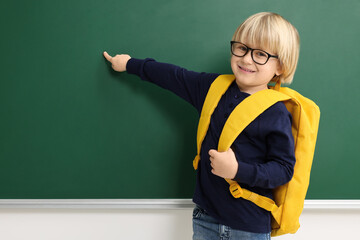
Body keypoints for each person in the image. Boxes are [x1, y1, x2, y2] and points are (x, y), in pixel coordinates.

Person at [103, 12, 299, 240]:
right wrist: (129, 64)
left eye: (260, 54)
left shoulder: (275, 111)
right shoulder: (212, 89)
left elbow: (283, 169)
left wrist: (237, 170)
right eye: (242, 48)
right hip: (206, 219)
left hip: (249, 226)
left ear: (280, 67)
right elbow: (173, 76)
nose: (246, 59)